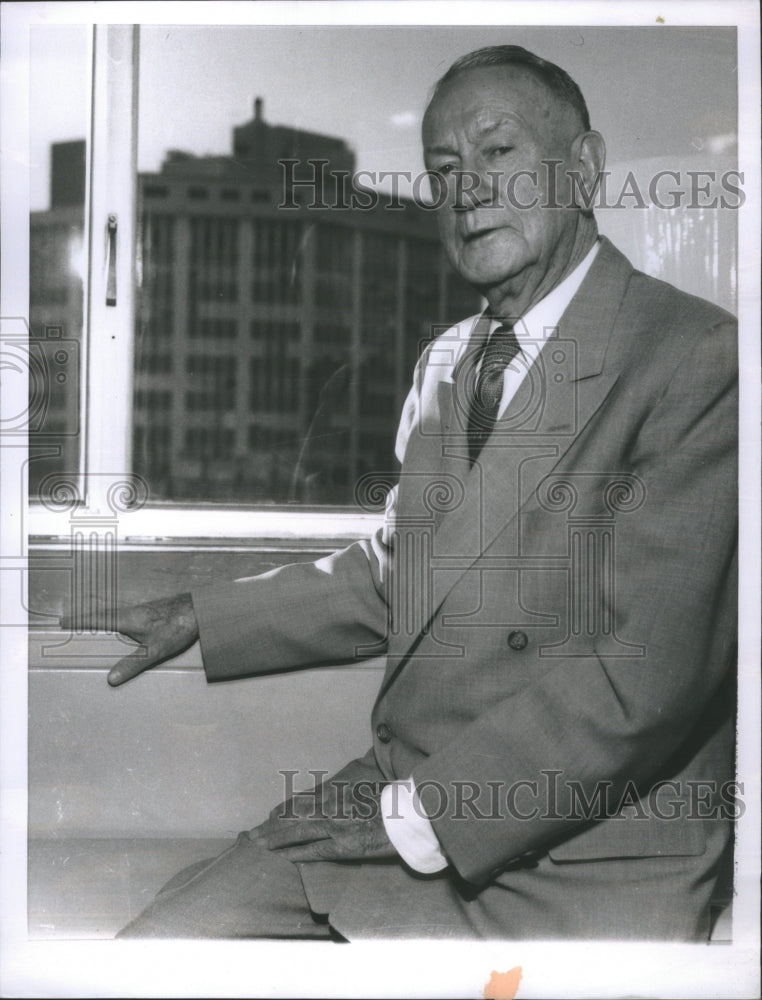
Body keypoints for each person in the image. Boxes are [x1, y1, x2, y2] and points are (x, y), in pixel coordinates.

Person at [68, 45, 737, 940]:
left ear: (583, 170)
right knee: (148, 952)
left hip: (582, 864)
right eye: (444, 169)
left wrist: (403, 816)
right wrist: (207, 612)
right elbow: (405, 571)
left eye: (496, 154)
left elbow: (644, 680)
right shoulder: (449, 361)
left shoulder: (698, 358)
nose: (465, 189)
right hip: (401, 805)